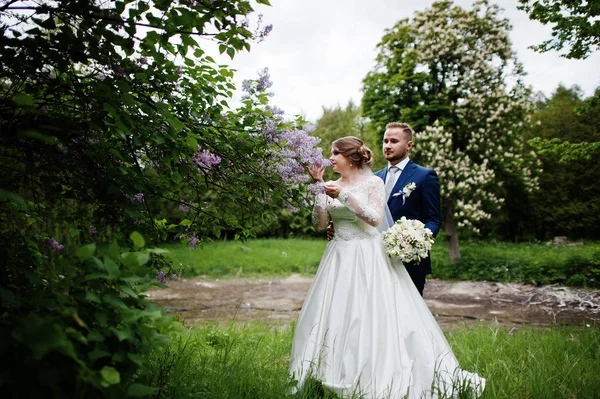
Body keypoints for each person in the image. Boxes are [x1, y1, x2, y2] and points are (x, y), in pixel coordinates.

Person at [289, 136, 484, 399]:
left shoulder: (374, 183)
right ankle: (330, 371)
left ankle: (373, 372)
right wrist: (319, 186)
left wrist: (344, 195)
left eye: (335, 153)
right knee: (336, 312)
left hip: (368, 256)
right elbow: (321, 224)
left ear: (351, 157)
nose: (330, 158)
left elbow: (375, 218)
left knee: (367, 313)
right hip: (338, 257)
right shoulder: (330, 184)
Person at [376, 122, 442, 296]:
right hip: (376, 258)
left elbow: (434, 219)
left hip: (410, 262)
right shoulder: (374, 178)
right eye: (385, 141)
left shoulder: (424, 176)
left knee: (409, 317)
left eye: (394, 141)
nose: (388, 145)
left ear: (409, 145)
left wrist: (417, 241)